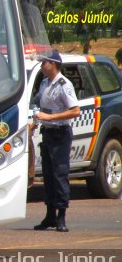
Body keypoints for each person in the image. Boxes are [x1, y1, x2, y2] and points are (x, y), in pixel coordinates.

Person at [31, 49, 80, 232]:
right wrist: (36, 122)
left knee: (60, 175)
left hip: (60, 134)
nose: (42, 65)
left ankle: (61, 217)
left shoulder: (63, 84)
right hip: (48, 133)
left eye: (45, 62)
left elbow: (75, 110)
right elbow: (40, 107)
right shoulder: (44, 83)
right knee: (48, 176)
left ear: (53, 64)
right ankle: (50, 215)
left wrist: (50, 118)